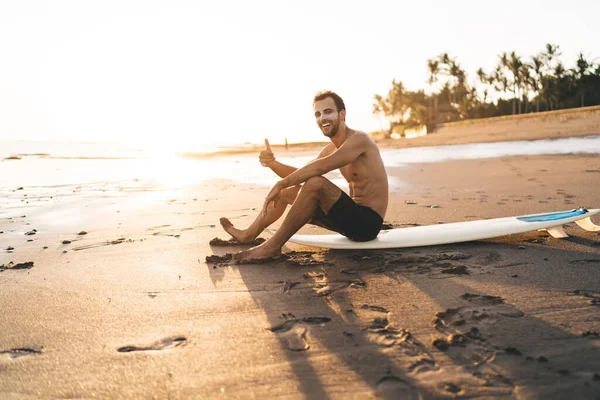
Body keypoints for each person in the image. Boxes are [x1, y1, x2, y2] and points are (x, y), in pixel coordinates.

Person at [220, 90, 389, 263]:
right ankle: (248, 235)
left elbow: (319, 168)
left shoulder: (360, 140)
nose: (322, 118)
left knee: (316, 183)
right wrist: (273, 164)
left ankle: (271, 247)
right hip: (348, 221)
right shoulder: (330, 149)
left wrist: (280, 184)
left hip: (367, 224)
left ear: (342, 114)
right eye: (318, 114)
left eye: (328, 111)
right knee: (289, 191)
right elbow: (304, 172)